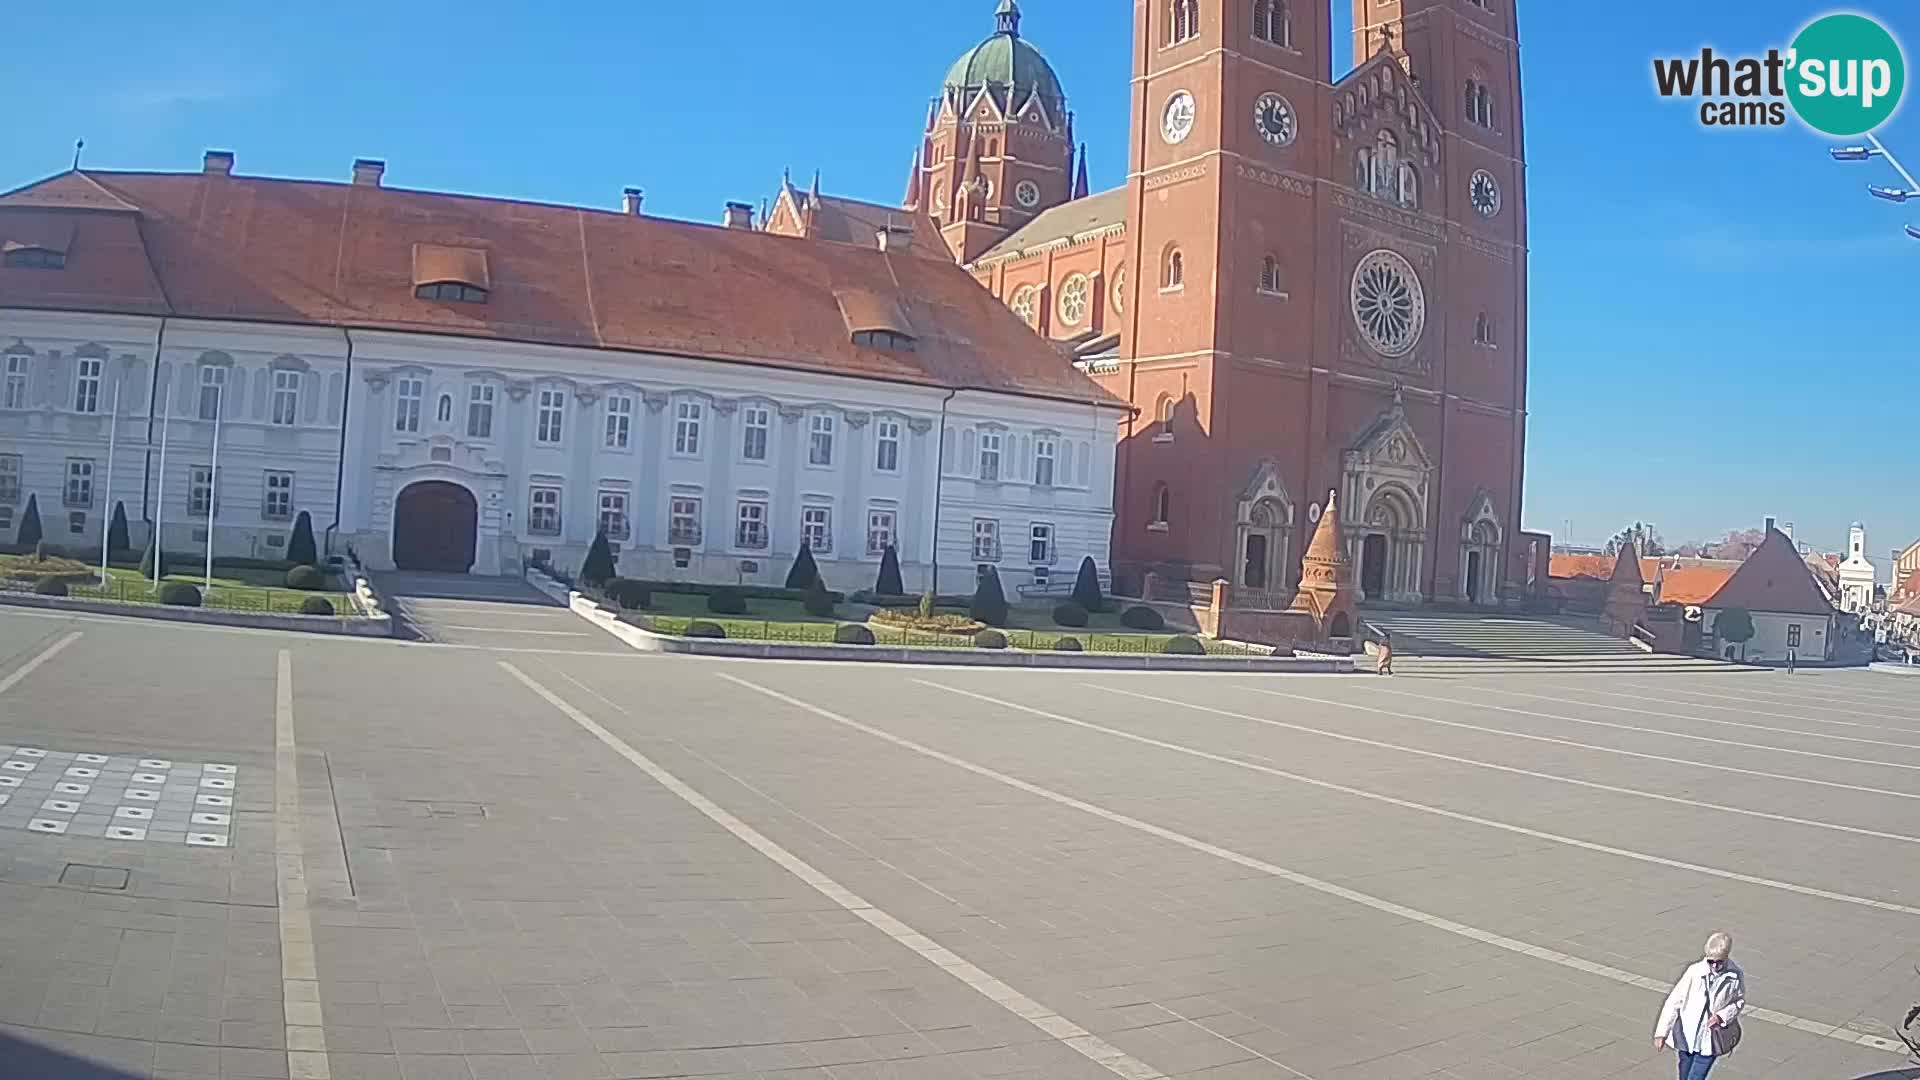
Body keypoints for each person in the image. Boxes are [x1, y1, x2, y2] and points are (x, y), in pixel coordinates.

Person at [1654, 931, 1746, 1079]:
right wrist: (1661, 1033)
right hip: (1688, 1035)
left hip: (1711, 1039)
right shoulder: (1694, 972)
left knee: (1696, 1077)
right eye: (1711, 961)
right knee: (1684, 1075)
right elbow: (1674, 1001)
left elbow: (1738, 1002)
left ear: (1727, 956)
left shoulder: (1735, 975)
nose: (1715, 965)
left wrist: (1721, 1017)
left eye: (1720, 961)